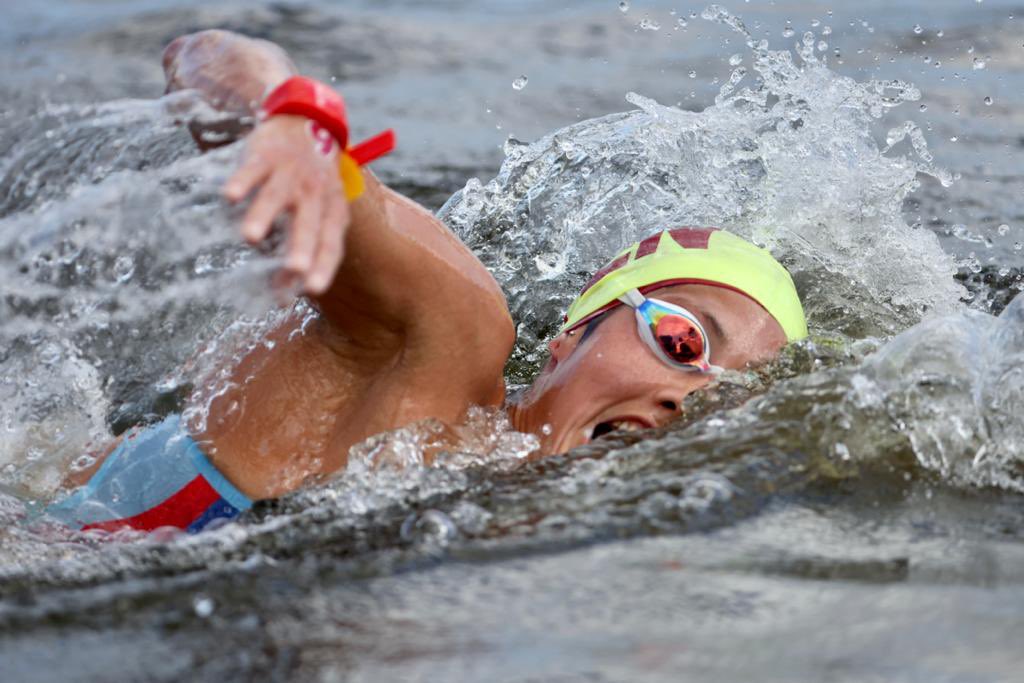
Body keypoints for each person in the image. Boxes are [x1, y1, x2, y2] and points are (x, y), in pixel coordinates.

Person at [44, 30, 807, 534]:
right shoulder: (442, 338)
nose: (691, 397)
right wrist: (287, 119)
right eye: (681, 340)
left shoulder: (527, 556)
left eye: (732, 396)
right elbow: (211, 53)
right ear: (575, 332)